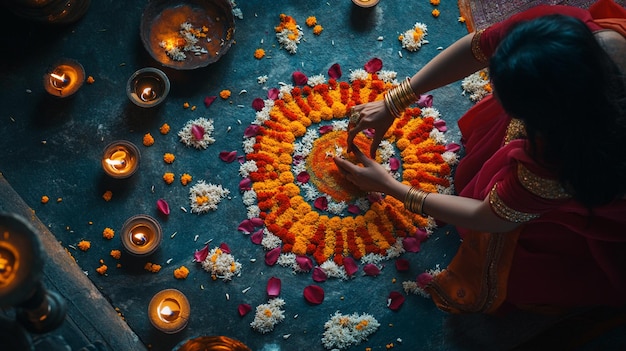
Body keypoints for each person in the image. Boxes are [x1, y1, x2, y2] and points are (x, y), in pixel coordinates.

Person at [334, 0, 626, 314]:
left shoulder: (559, 163)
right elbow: (480, 46)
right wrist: (395, 100)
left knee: (520, 274)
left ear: (546, 120)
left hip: (603, 180)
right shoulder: (559, 36)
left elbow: (489, 218)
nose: (493, 95)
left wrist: (393, 188)